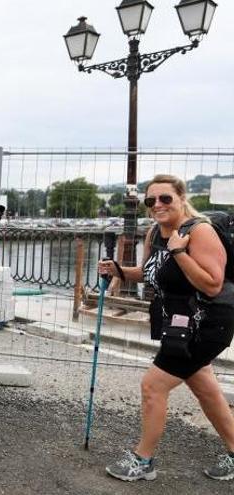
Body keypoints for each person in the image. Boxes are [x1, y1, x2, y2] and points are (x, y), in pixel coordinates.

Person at [99, 174, 234, 482]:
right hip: (181, 325)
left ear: (181, 198)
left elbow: (213, 285)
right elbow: (151, 273)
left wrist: (179, 252)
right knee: (204, 388)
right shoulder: (155, 233)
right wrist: (118, 270)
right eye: (151, 201)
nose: (157, 205)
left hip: (209, 323)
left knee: (153, 386)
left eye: (165, 198)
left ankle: (143, 460)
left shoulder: (200, 232)